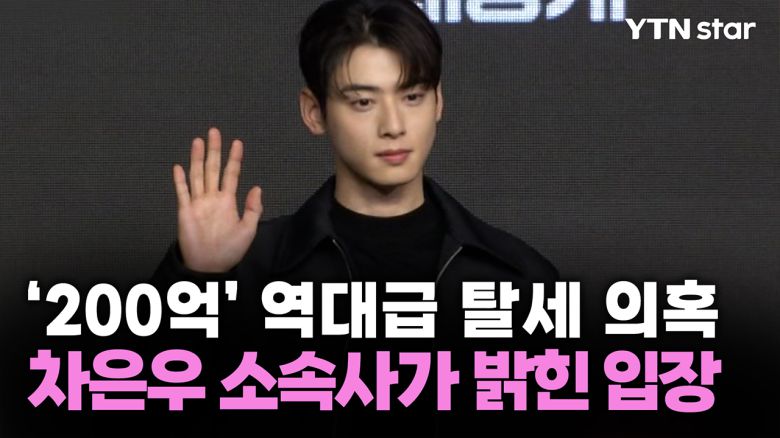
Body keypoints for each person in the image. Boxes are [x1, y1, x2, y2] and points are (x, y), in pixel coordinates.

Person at [151, 0, 557, 436]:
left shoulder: (518, 277)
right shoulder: (252, 270)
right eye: (363, 102)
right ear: (315, 112)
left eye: (413, 97)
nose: (394, 125)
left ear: (438, 101)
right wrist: (196, 280)